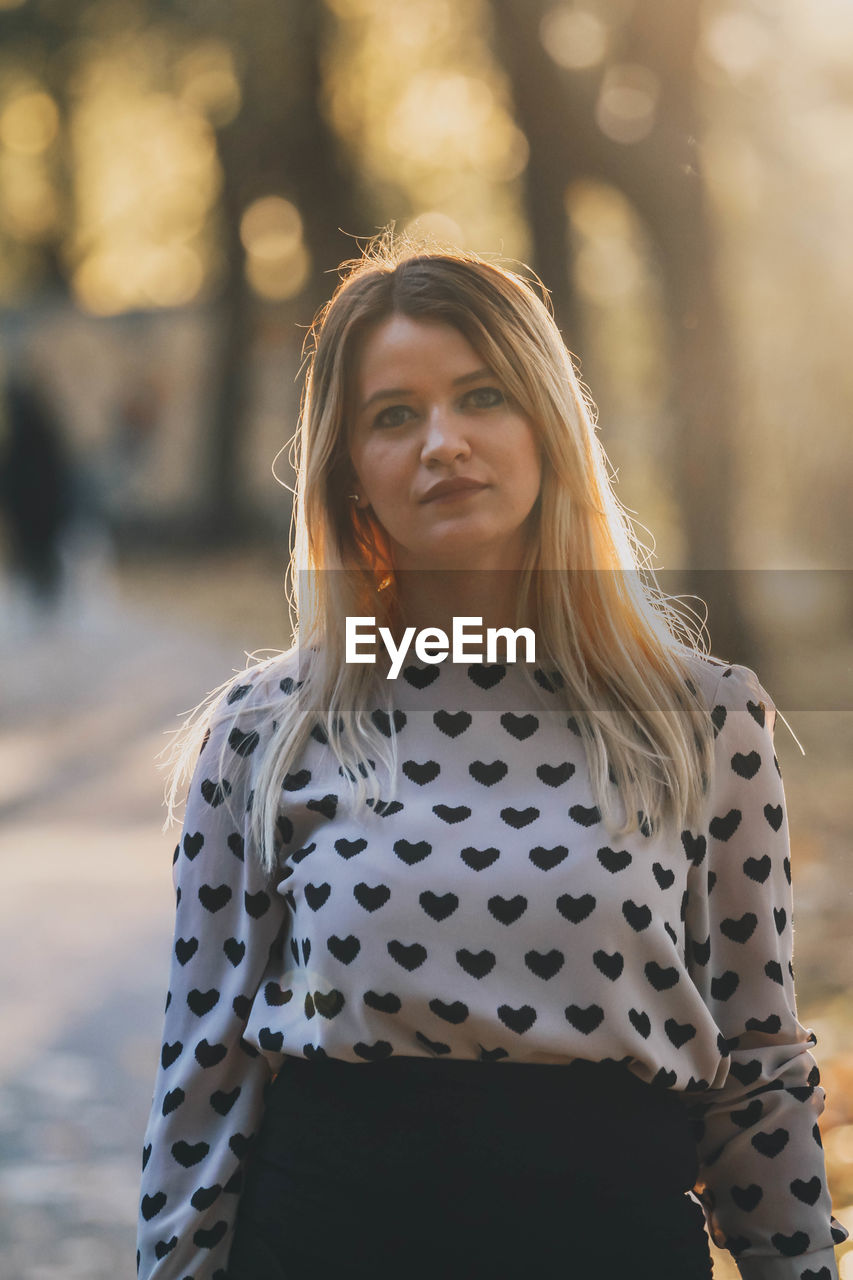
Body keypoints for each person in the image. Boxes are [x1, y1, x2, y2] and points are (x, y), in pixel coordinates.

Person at [136, 237, 848, 1280]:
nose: (442, 443)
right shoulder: (263, 732)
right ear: (348, 471)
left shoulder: (702, 719)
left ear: (548, 427)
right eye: (393, 414)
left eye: (481, 396)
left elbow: (755, 1070)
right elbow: (204, 1076)